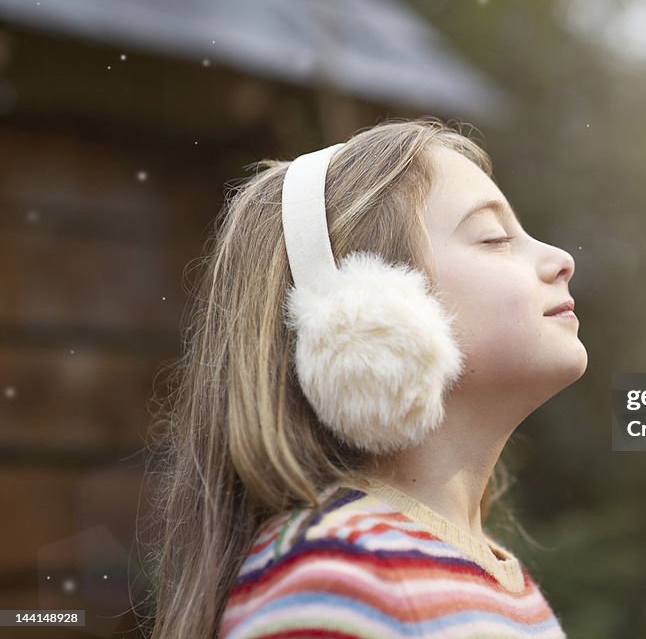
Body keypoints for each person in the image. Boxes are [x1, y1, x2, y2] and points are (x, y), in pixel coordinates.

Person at [139, 117, 587, 639]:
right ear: (371, 315)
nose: (562, 259)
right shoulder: (341, 578)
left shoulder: (481, 571)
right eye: (493, 238)